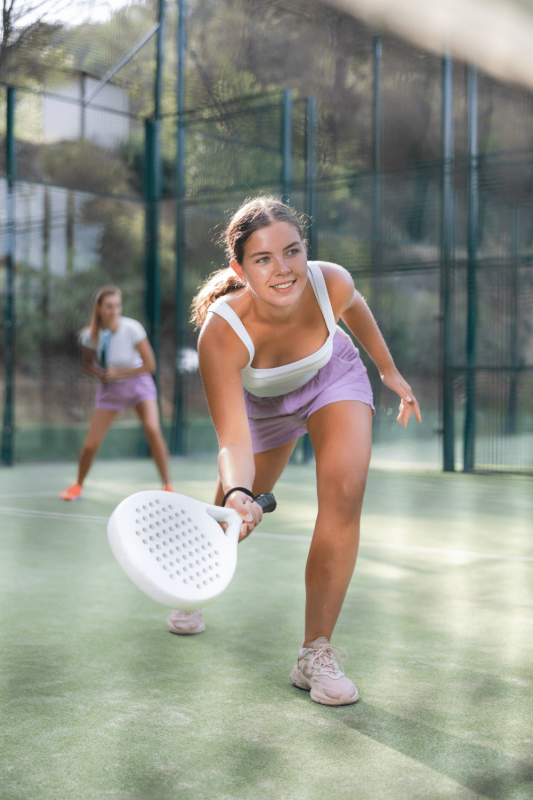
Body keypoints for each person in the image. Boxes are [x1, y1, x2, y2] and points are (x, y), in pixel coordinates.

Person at [168, 196, 421, 705]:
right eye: (263, 259)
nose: (283, 270)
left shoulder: (331, 281)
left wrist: (389, 370)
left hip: (333, 376)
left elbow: (356, 310)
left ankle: (315, 654)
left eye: (293, 251)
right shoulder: (222, 333)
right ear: (239, 268)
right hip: (262, 406)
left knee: (346, 491)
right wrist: (240, 491)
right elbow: (232, 438)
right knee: (227, 518)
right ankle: (191, 586)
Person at [60, 285, 173, 501]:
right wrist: (99, 372)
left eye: (118, 306)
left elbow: (150, 365)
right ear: (99, 308)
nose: (114, 311)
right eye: (109, 306)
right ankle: (77, 485)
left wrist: (119, 372)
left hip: (139, 385)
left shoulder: (133, 329)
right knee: (91, 444)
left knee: (152, 429)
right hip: (110, 390)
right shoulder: (89, 336)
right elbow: (87, 363)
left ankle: (167, 485)